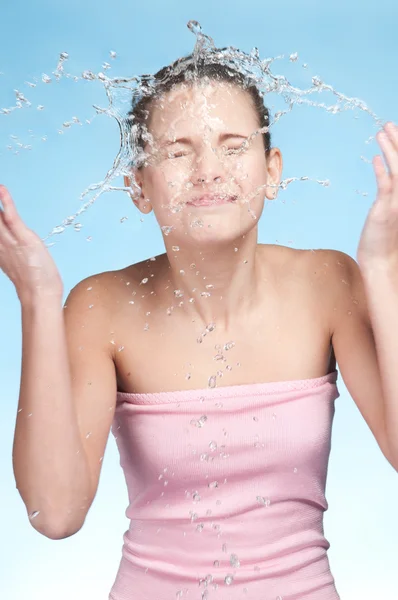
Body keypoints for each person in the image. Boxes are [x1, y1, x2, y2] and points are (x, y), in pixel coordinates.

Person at [6, 51, 352, 599]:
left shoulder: (330, 283)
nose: (210, 170)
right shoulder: (101, 306)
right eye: (177, 152)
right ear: (139, 186)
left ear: (273, 170)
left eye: (233, 147)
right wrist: (36, 299)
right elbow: (55, 513)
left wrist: (388, 268)